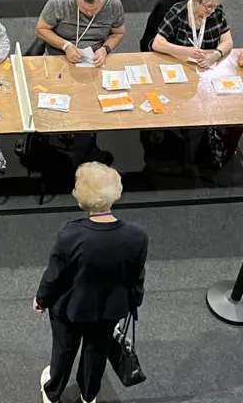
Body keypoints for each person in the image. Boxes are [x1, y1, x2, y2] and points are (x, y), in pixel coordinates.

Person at [33, 162, 148, 403]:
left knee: (64, 351)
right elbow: (136, 276)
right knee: (96, 353)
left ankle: (53, 393)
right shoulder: (137, 235)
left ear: (82, 200)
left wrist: (41, 300)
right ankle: (88, 396)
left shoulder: (71, 235)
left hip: (70, 309)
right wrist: (132, 302)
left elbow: (55, 276)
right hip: (109, 309)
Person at [150, 0, 234, 171]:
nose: (211, 11)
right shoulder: (178, 13)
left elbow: (228, 41)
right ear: (195, 0)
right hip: (179, 67)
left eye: (214, 7)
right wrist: (185, 51)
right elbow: (157, 43)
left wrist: (216, 54)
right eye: (208, 6)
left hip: (205, 68)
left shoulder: (217, 12)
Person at [35, 0, 125, 67]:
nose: (89, 13)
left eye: (95, 9)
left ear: (104, 0)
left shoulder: (113, 4)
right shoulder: (60, 1)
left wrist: (105, 49)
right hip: (59, 54)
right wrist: (66, 46)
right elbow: (40, 29)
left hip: (95, 58)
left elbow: (118, 33)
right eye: (84, 8)